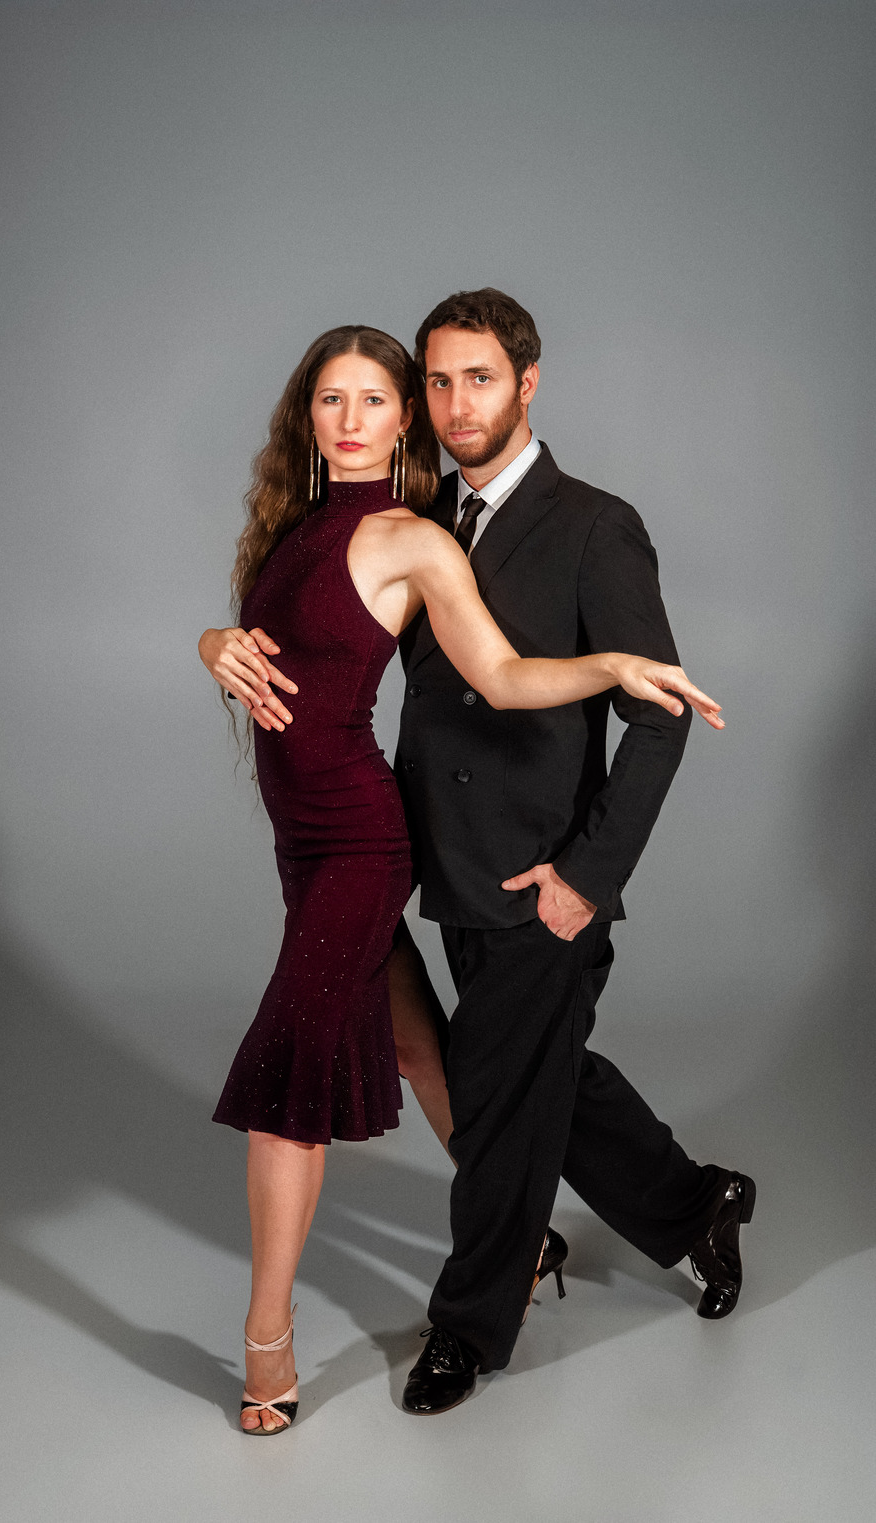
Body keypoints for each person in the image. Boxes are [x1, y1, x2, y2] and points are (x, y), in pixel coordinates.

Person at [198, 322, 724, 1433]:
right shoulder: (343, 524)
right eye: (336, 398)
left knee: (365, 1076)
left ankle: (364, 1335)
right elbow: (291, 637)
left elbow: (508, 672)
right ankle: (660, 1209)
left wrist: (615, 675)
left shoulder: (503, 531)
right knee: (471, 1058)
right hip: (371, 843)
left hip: (446, 852)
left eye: (379, 397)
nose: (358, 416)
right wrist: (213, 639)